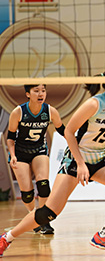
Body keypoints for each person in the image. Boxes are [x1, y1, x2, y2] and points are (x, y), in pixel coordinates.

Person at [0, 64, 105, 257]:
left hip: (99, 160)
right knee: (47, 213)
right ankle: (6, 238)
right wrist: (81, 164)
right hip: (76, 162)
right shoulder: (94, 104)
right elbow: (69, 132)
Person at [6, 84, 65, 234]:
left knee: (44, 184)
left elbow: (63, 130)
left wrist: (76, 142)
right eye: (36, 91)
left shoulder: (50, 111)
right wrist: (12, 155)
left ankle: (44, 220)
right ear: (28, 94)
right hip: (20, 153)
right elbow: (10, 138)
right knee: (27, 194)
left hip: (39, 150)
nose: (41, 94)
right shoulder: (18, 112)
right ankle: (33, 217)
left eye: (43, 91)